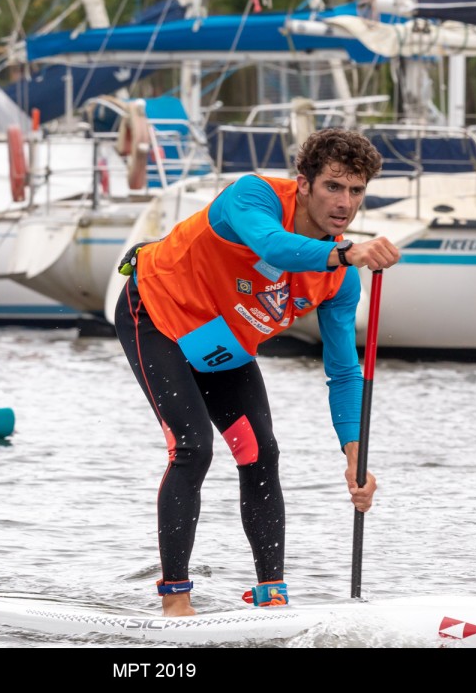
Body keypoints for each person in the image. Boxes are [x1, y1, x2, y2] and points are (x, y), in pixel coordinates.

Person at [114, 127, 401, 617]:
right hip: (156, 313)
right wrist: (345, 253)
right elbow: (273, 247)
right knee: (193, 447)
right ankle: (176, 602)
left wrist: (355, 457)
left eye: (356, 191)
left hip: (221, 341)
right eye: (333, 186)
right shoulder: (253, 196)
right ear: (304, 183)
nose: (345, 203)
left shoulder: (338, 278)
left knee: (260, 452)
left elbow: (344, 373)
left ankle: (272, 598)